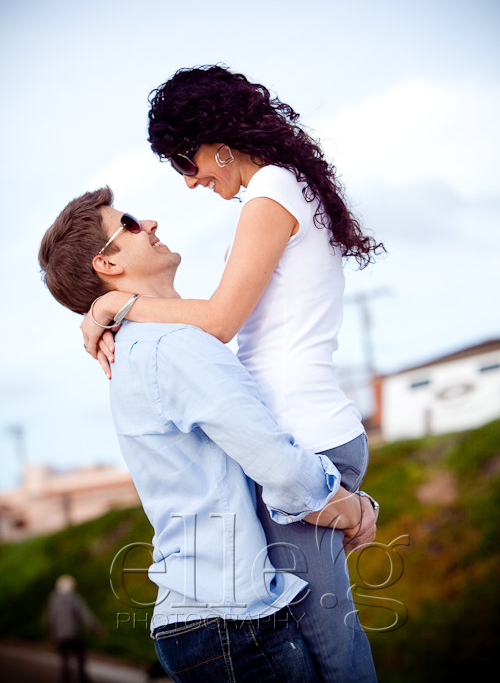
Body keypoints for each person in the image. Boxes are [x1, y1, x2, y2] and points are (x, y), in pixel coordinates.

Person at [81, 66, 383, 681]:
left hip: (302, 434)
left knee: (329, 640)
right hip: (310, 430)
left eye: (187, 164)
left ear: (216, 140)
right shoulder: (283, 188)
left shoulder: (271, 192)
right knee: (324, 636)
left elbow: (219, 320)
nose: (192, 182)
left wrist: (117, 304)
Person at [47, 574, 101, 683]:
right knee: (80, 658)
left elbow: (51, 619)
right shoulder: (74, 598)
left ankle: (65, 679)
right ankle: (82, 678)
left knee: (64, 660)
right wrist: (96, 627)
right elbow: (85, 614)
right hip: (75, 635)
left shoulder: (53, 599)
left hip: (60, 636)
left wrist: (51, 635)